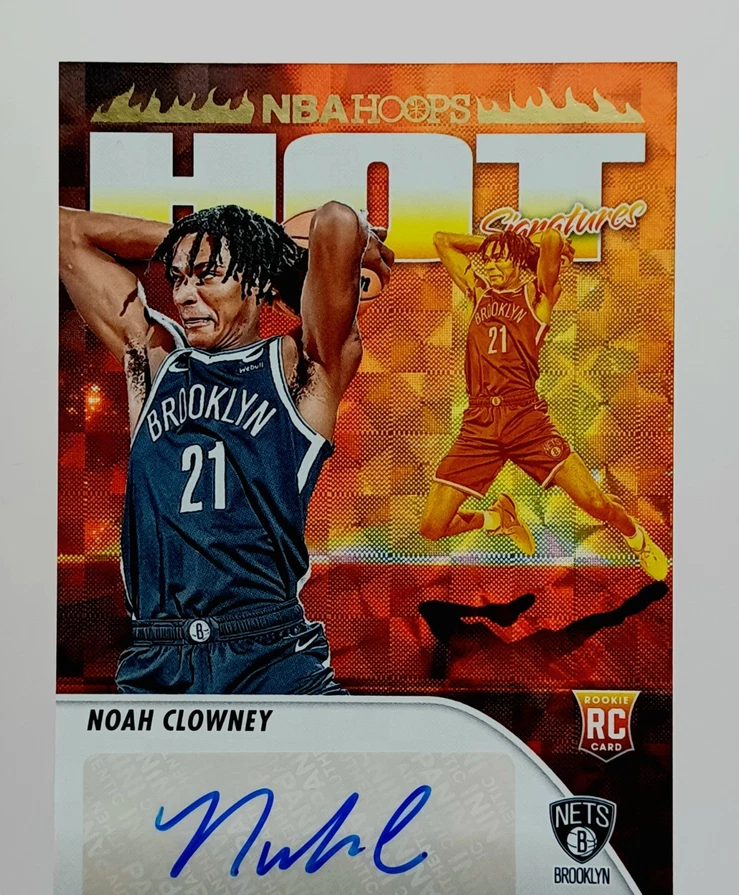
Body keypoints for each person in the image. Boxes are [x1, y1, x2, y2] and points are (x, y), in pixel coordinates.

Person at [59, 202, 393, 694]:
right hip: (159, 659)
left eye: (207, 276)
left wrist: (253, 248)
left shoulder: (302, 366)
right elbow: (65, 233)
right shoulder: (156, 363)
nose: (183, 295)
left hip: (269, 657)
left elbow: (337, 222)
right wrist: (199, 241)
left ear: (254, 282)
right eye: (177, 279)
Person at [419, 227, 668, 581]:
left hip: (525, 420)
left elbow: (551, 238)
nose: (491, 266)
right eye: (487, 260)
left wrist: (518, 247)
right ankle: (498, 519)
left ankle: (637, 538)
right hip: (479, 423)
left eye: (500, 259)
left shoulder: (537, 295)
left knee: (595, 503)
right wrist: (494, 245)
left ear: (519, 262)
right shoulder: (478, 292)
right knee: (432, 526)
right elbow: (441, 240)